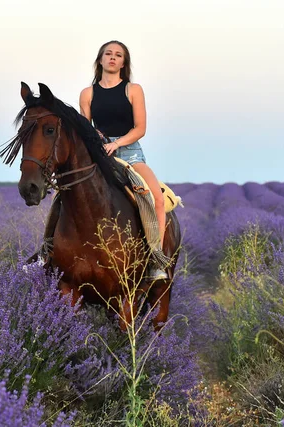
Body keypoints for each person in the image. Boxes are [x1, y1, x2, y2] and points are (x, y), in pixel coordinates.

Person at [78, 40, 168, 280]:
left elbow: (140, 128)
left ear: (123, 62)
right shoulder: (88, 94)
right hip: (100, 153)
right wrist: (93, 135)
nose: (112, 58)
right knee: (64, 197)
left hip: (130, 153)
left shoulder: (133, 89)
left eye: (118, 55)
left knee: (156, 198)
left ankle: (155, 259)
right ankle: (47, 251)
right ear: (100, 59)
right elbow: (85, 128)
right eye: (108, 54)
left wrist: (116, 143)